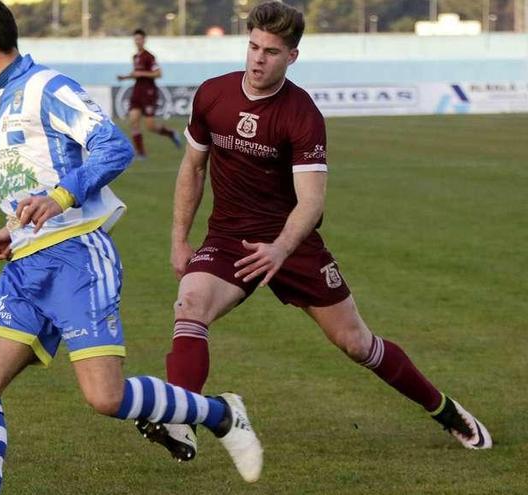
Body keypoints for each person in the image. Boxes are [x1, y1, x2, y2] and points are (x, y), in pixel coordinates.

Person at [137, 1, 493, 463]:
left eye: (271, 51)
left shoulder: (302, 114)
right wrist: (178, 239)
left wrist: (281, 248)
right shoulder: (213, 95)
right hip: (227, 237)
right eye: (253, 46)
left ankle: (444, 410)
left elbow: (312, 201)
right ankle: (183, 420)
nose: (258, 59)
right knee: (190, 304)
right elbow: (193, 168)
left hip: (293, 243)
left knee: (356, 343)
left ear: (292, 56)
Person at [0, 1, 263, 493]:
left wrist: (59, 198)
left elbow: (112, 145)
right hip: (29, 263)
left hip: (76, 260)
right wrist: (15, 226)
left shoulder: (46, 87)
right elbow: (39, 179)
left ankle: (222, 413)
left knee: (105, 398)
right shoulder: (5, 100)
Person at [117, 29, 180, 159]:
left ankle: (171, 133)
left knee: (150, 126)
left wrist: (142, 74)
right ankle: (141, 153)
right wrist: (125, 77)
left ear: (144, 40)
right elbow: (136, 74)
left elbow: (158, 73)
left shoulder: (149, 57)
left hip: (148, 92)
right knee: (133, 121)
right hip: (137, 91)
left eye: (139, 39)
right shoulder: (135, 57)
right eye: (135, 39)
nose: (137, 41)